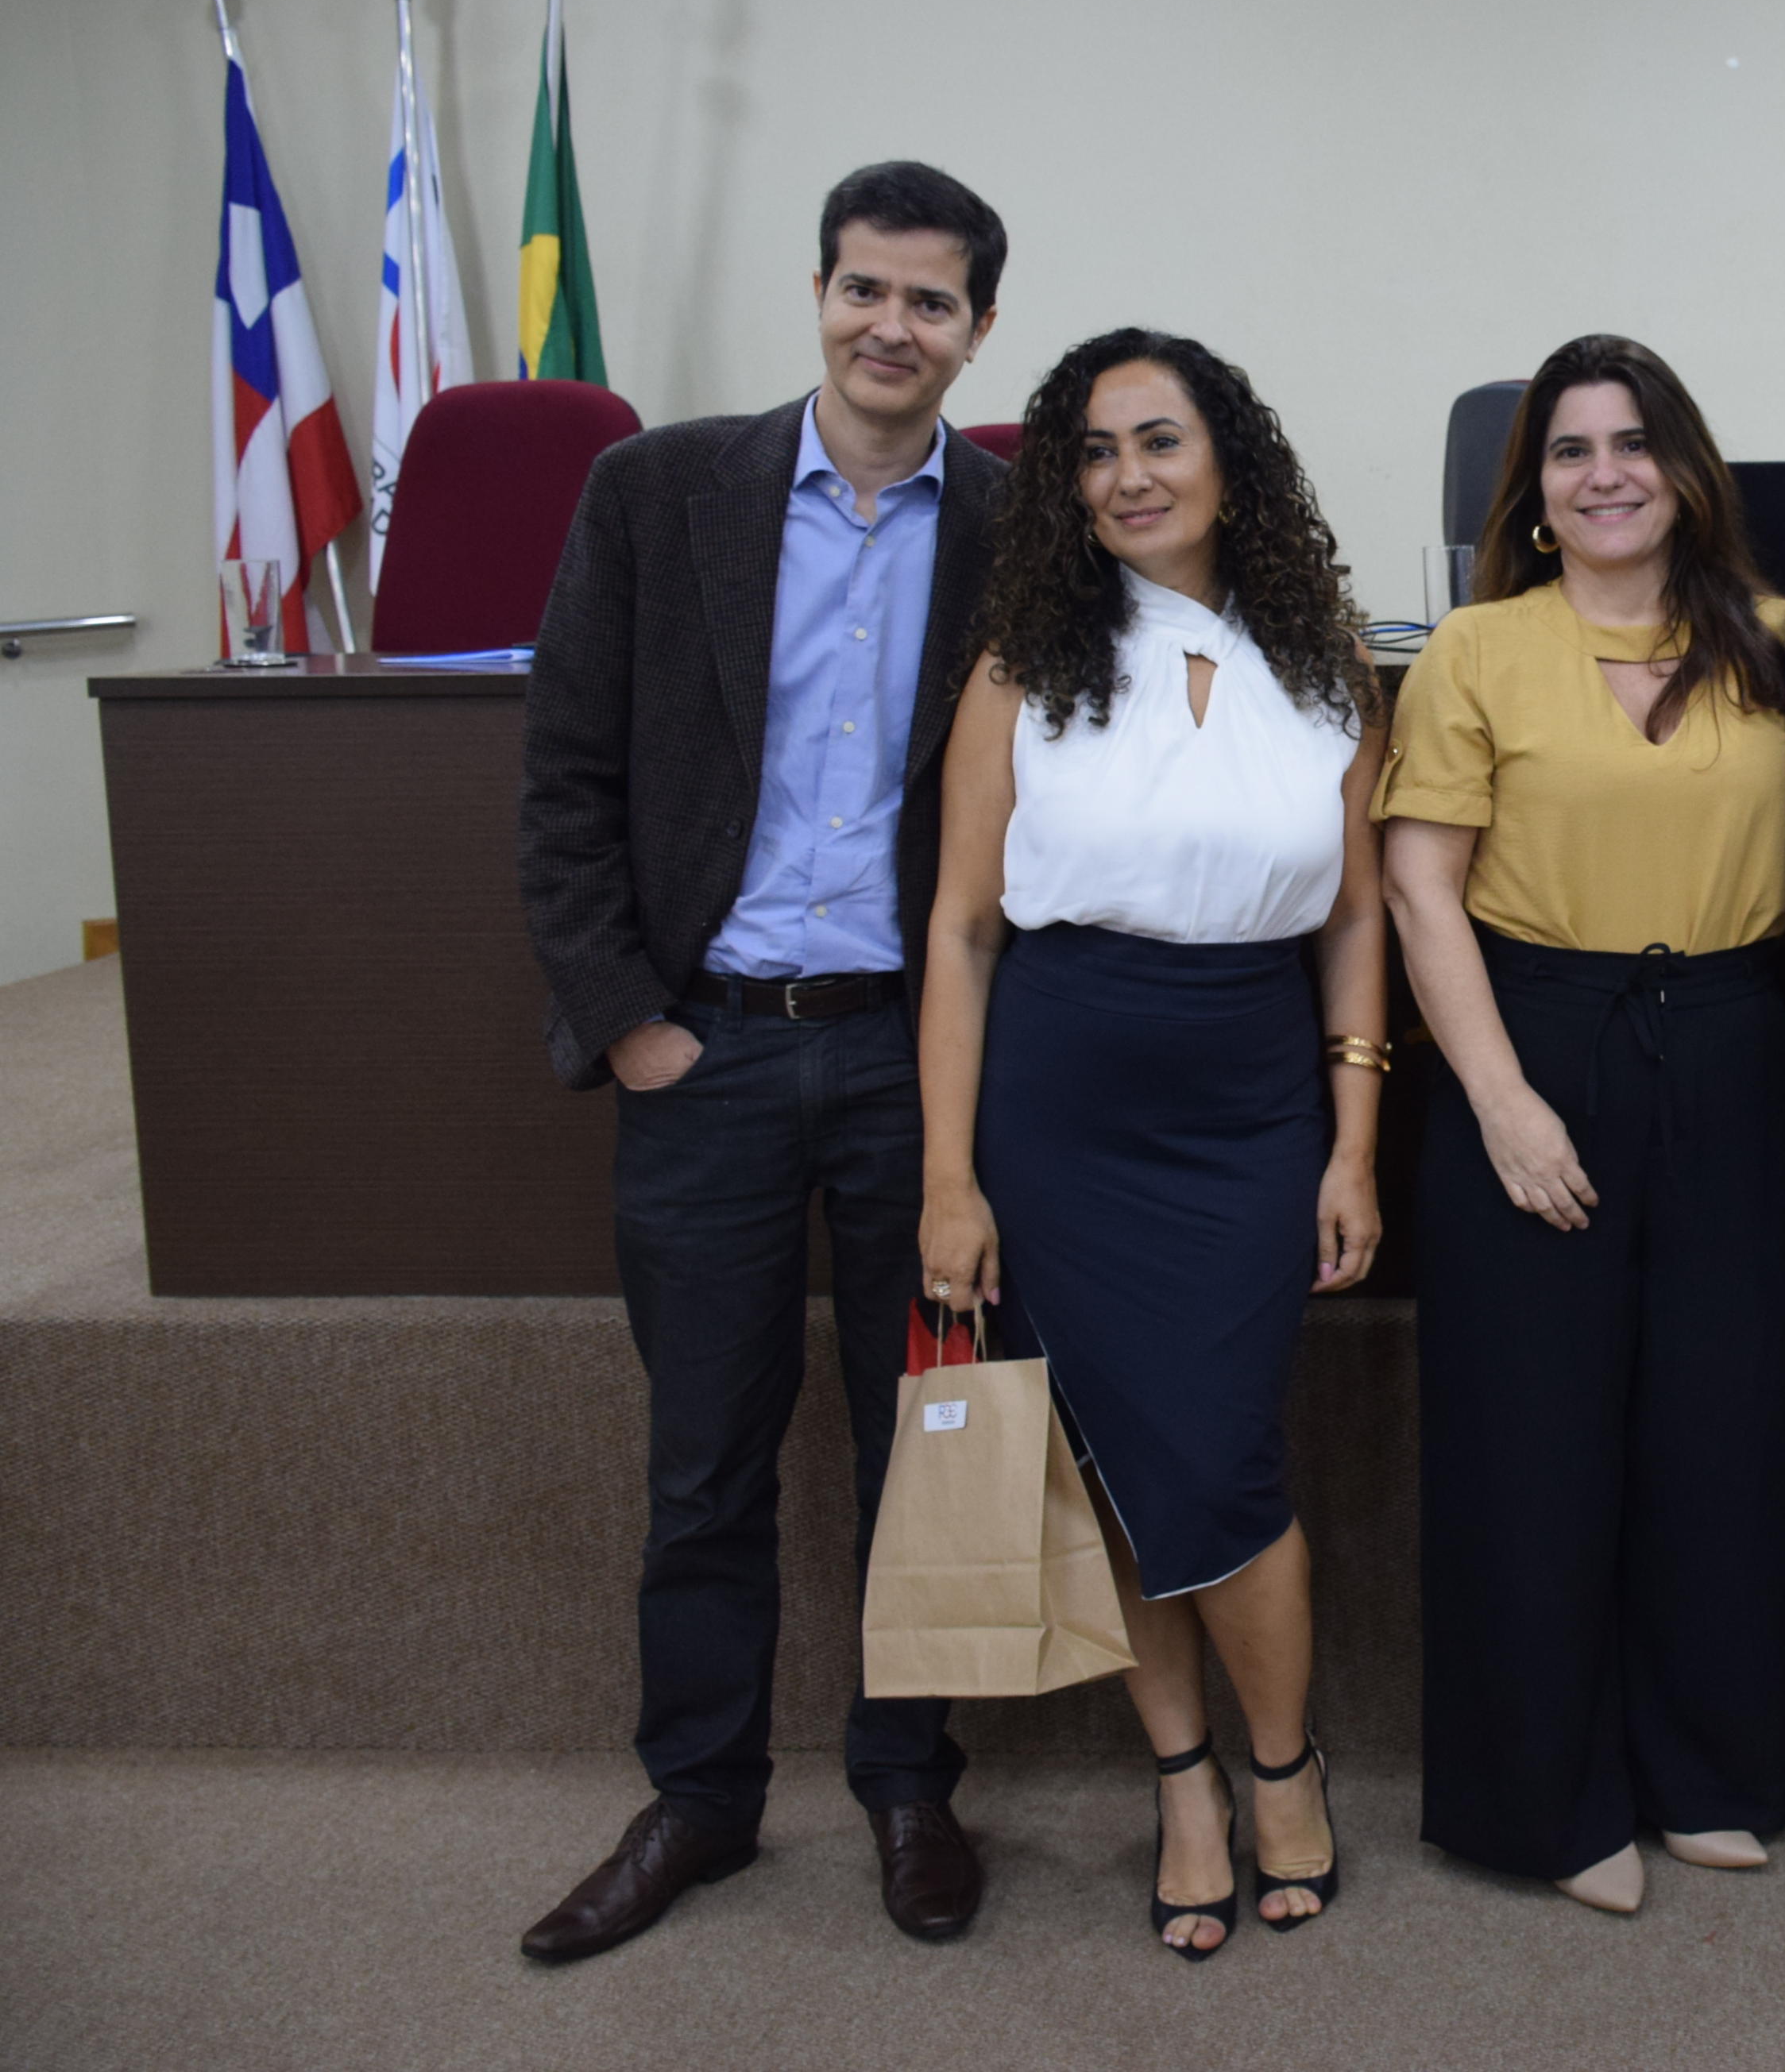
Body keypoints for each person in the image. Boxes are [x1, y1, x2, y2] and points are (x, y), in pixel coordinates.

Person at [516, 160, 1008, 1962]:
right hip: (707, 1049)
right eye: (865, 289)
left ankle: (909, 1785)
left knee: (922, 1448)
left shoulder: (1022, 526)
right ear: (819, 295)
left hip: (913, 1068)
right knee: (706, 1461)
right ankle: (703, 1801)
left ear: (977, 331)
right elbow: (564, 779)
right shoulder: (658, 493)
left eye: (931, 301)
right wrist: (631, 1023)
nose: (892, 326)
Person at [915, 329, 1385, 1962]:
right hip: (1062, 1114)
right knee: (1119, 1459)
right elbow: (961, 931)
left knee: (1221, 1457)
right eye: (1095, 453)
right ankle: (1188, 1779)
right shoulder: (1023, 669)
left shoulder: (1326, 664)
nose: (1128, 477)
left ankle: (1285, 1762)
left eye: (1160, 440)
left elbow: (1355, 921)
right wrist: (950, 1178)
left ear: (1229, 463)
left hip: (1250, 1106)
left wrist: (1354, 1145)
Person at [1379, 334, 1785, 1918]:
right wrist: (1502, 1102)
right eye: (1570, 450)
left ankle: (1709, 1773)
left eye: (1633, 442)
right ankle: (1546, 1804)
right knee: (1533, 1444)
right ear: (1533, 491)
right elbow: (1420, 889)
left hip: (1726, 1045)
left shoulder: (1778, 643)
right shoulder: (1476, 650)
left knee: (1719, 1434)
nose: (1605, 474)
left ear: (1686, 469)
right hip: (1535, 1040)